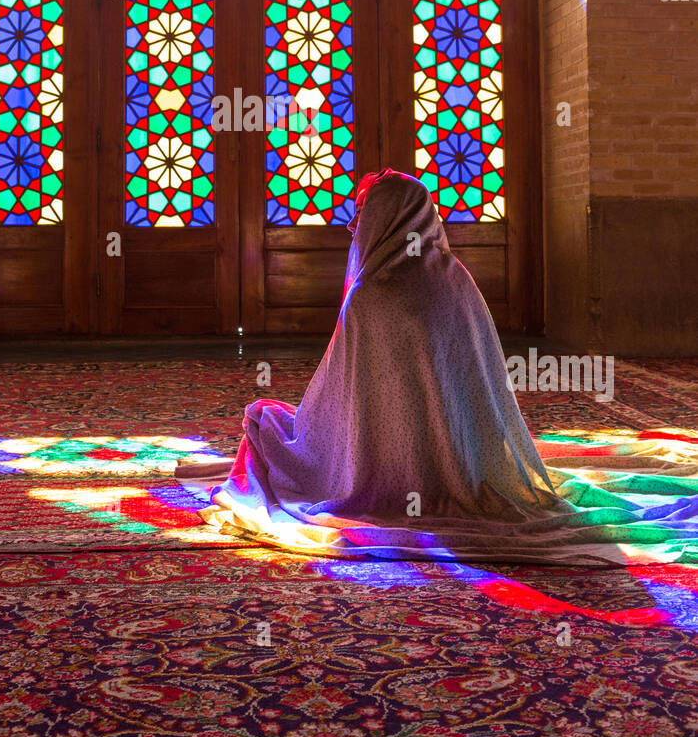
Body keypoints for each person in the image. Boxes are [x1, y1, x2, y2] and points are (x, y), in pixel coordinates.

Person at [186, 170, 698, 567]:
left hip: (375, 466)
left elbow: (338, 402)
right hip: (468, 457)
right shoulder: (455, 278)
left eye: (362, 214)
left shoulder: (372, 296)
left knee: (268, 423)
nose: (354, 227)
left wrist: (304, 443)